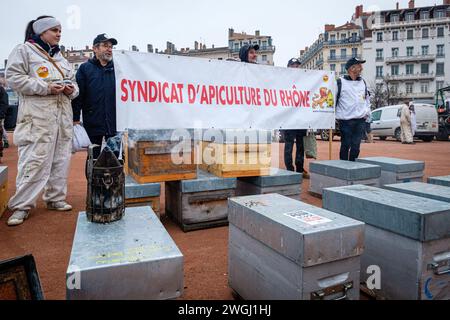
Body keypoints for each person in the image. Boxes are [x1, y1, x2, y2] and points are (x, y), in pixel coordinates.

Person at [5, 15, 79, 226]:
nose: (59, 33)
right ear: (41, 32)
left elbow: (74, 85)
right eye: (54, 30)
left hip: (61, 116)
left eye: (60, 30)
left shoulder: (61, 58)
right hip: (37, 118)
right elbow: (14, 78)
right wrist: (45, 87)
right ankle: (21, 206)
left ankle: (55, 198)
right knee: (34, 160)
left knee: (60, 159)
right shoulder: (24, 51)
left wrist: (71, 90)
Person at [72, 34, 118, 160]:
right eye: (105, 46)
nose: (109, 49)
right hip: (93, 122)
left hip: (115, 124)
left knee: (117, 158)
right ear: (95, 49)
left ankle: (116, 180)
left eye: (111, 47)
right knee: (93, 158)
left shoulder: (118, 69)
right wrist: (75, 119)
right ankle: (92, 180)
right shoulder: (85, 69)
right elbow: (78, 96)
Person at [336, 57, 371, 161]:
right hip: (345, 121)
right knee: (346, 145)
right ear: (351, 68)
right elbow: (332, 99)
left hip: (360, 120)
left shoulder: (363, 82)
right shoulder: (339, 82)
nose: (361, 67)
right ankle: (343, 166)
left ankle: (352, 165)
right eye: (359, 65)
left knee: (356, 147)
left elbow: (367, 99)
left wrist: (366, 112)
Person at [283, 58, 309, 179]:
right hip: (288, 120)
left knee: (301, 146)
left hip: (301, 119)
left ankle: (299, 169)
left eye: (297, 66)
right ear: (288, 67)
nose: (295, 68)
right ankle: (289, 169)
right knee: (289, 145)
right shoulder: (282, 80)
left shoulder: (305, 80)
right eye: (293, 65)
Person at [0, 85, 8, 158]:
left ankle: (5, 141)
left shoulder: (1, 89)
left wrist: (1, 114)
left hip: (0, 115)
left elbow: (4, 103)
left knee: (1, 130)